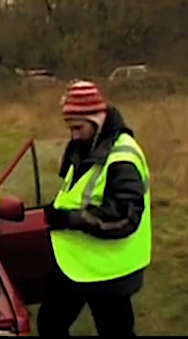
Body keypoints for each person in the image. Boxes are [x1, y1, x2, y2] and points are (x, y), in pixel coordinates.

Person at [38, 80, 152, 336]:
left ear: (96, 120)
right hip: (75, 262)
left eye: (78, 127)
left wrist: (72, 219)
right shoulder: (86, 147)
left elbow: (124, 217)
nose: (74, 134)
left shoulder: (123, 157)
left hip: (109, 268)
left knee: (115, 331)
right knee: (50, 324)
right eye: (70, 128)